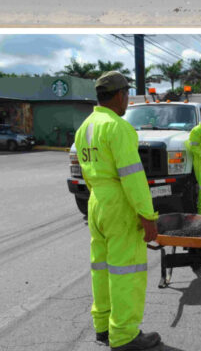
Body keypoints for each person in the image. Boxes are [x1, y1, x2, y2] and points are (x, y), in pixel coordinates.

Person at [75, 71, 162, 351]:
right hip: (119, 204)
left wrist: (98, 199)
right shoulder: (118, 127)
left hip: (96, 201)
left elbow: (87, 175)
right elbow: (133, 177)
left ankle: (103, 327)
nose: (127, 100)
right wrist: (147, 216)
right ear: (120, 95)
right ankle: (124, 334)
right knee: (127, 270)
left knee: (101, 268)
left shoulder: (84, 127)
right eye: (127, 94)